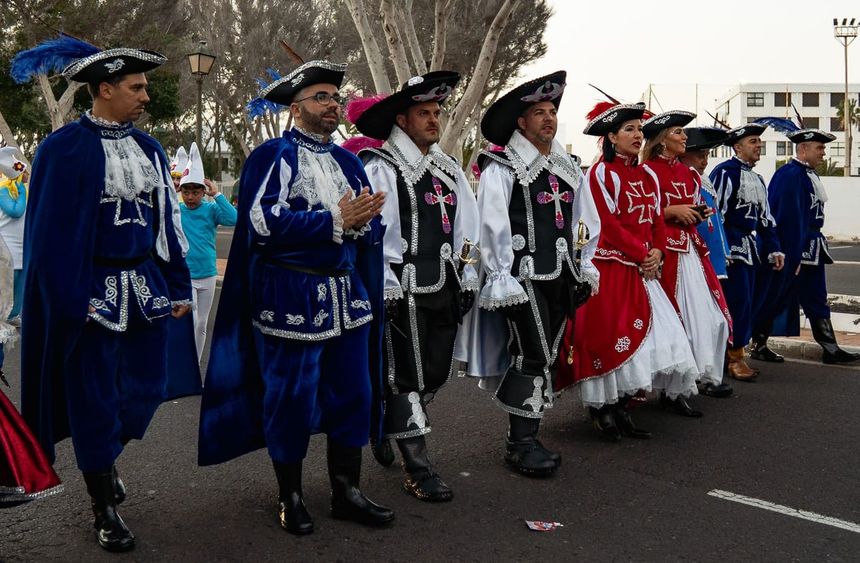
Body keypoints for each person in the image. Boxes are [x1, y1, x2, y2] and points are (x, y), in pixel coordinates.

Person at [197, 60, 394, 536]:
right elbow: (261, 224)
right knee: (291, 396)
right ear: (295, 107)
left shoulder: (349, 161)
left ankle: (346, 491)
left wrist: (364, 222)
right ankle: (291, 495)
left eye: (335, 98)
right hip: (291, 295)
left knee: (354, 392)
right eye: (322, 98)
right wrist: (333, 222)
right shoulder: (273, 155)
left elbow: (362, 224)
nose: (333, 106)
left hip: (346, 295)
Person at [17, 38, 195, 552]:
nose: (145, 97)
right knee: (93, 402)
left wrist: (178, 283)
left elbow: (166, 224)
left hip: (145, 290)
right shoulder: (60, 149)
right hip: (88, 296)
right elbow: (48, 239)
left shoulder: (150, 149)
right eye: (136, 87)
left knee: (145, 389)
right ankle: (103, 503)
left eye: (145, 88)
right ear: (104, 88)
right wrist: (70, 303)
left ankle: (104, 459)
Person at [459, 71, 600, 477]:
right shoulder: (501, 167)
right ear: (521, 122)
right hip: (520, 279)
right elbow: (491, 225)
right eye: (539, 112)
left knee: (545, 355)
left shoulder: (568, 168)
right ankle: (519, 443)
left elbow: (583, 221)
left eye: (552, 111)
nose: (548, 119)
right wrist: (501, 275)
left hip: (562, 277)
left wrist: (584, 264)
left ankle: (527, 436)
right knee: (532, 353)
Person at [352, 71, 479, 502]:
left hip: (444, 283)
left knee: (436, 371)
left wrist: (468, 273)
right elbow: (378, 235)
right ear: (402, 120)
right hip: (400, 287)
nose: (433, 120)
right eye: (423, 113)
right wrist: (385, 284)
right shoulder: (379, 166)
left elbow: (467, 227)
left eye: (437, 112)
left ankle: (389, 419)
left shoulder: (448, 169)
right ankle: (418, 467)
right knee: (406, 372)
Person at [559, 101, 698, 441]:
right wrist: (641, 253)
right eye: (629, 129)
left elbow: (655, 221)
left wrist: (658, 252)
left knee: (651, 339)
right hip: (610, 268)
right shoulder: (599, 174)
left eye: (640, 129)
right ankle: (602, 409)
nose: (638, 135)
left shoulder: (647, 174)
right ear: (611, 136)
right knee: (611, 337)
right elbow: (606, 225)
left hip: (643, 269)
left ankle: (623, 405)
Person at [641, 113, 732, 406]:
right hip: (663, 252)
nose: (684, 138)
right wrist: (672, 212)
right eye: (678, 132)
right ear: (662, 139)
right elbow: (643, 214)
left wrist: (693, 212)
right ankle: (672, 389)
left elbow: (689, 207)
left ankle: (683, 385)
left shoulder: (690, 174)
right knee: (675, 319)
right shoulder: (647, 172)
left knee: (707, 319)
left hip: (690, 250)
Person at [751, 126, 859, 365]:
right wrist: (793, 255)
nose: (823, 153)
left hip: (811, 247)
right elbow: (785, 218)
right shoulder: (789, 175)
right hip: (793, 249)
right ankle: (756, 343)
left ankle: (830, 348)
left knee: (816, 296)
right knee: (776, 296)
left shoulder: (809, 175)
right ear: (803, 149)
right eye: (819, 148)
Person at [710, 124, 784, 380]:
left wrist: (774, 247)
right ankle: (732, 359)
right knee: (736, 302)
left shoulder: (759, 179)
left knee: (749, 301)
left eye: (758, 142)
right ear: (737, 146)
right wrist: (719, 250)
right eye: (753, 141)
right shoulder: (724, 173)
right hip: (730, 247)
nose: (758, 145)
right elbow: (713, 214)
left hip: (751, 248)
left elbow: (766, 218)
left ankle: (735, 353)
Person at [677, 127, 735, 397]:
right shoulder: (686, 183)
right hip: (694, 260)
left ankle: (713, 372)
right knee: (703, 322)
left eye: (707, 154)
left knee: (718, 320)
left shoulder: (704, 183)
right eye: (700, 155)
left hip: (713, 261)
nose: (705, 161)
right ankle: (701, 376)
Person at [178, 142, 237, 362]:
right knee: (192, 319)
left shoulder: (211, 209)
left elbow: (233, 219)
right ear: (181, 191)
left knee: (202, 323)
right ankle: (183, 359)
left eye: (195, 192)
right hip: (186, 274)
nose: (191, 197)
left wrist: (217, 195)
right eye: (186, 191)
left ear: (203, 192)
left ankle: (195, 363)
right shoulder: (177, 210)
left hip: (208, 273)